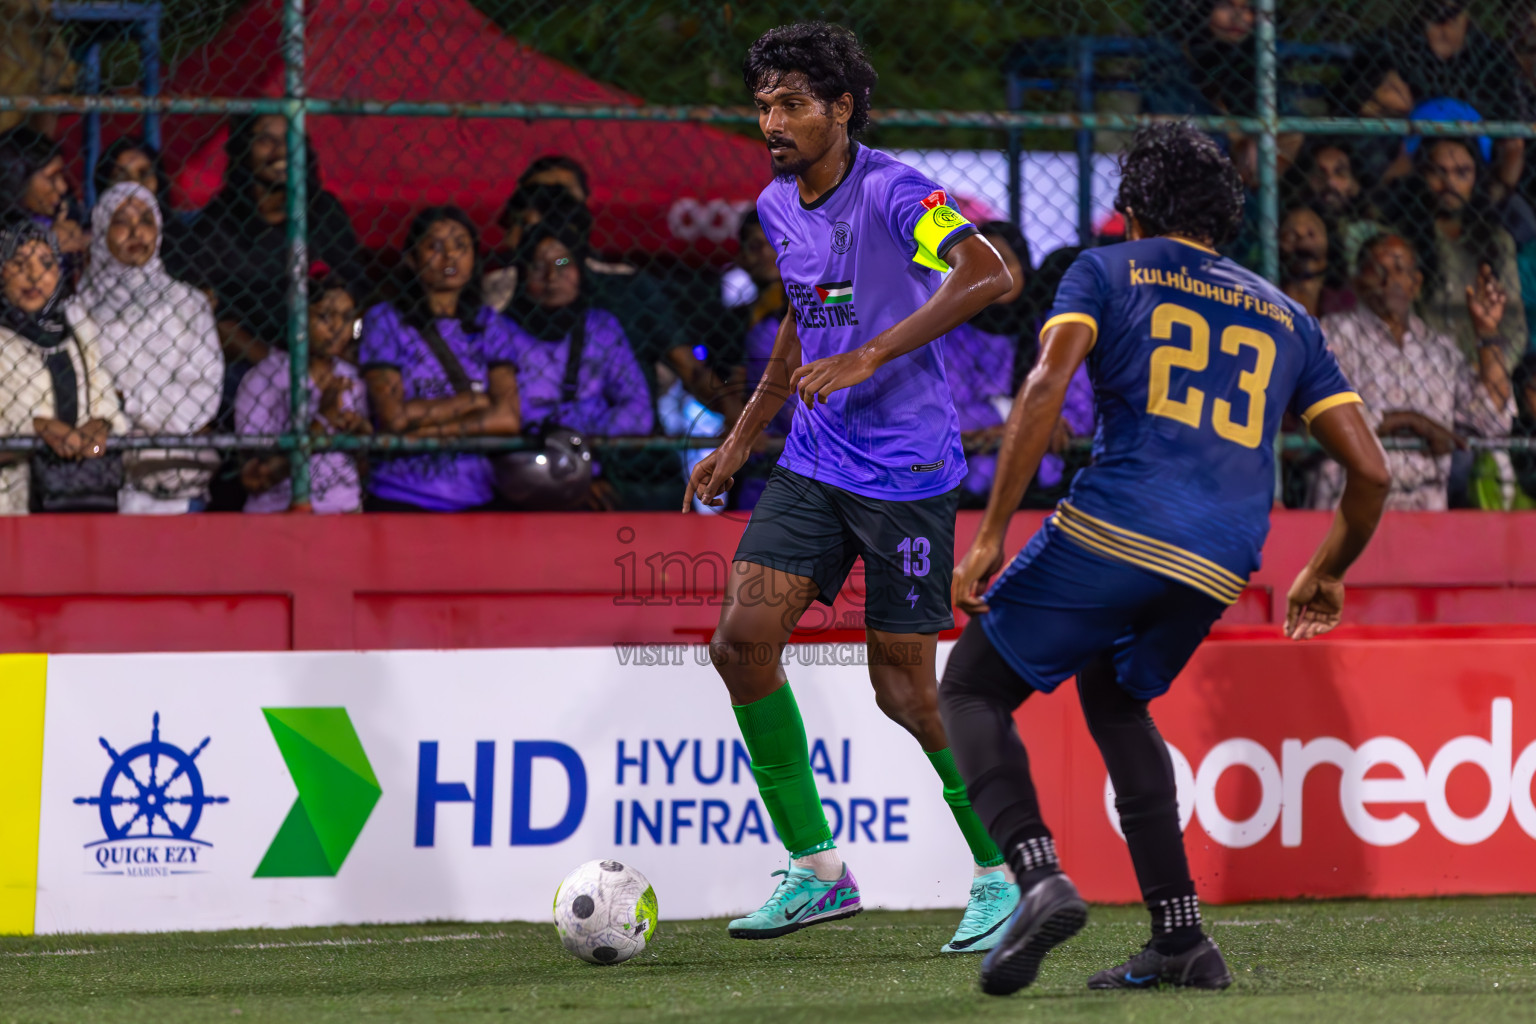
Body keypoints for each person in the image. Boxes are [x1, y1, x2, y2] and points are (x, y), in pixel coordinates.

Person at [937, 122, 1390, 995]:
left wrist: (991, 531)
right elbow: (1369, 471)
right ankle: (1181, 938)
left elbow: (1043, 388)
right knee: (1116, 697)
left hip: (1120, 525)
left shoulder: (1107, 269)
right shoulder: (1290, 315)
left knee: (972, 685)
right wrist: (1327, 568)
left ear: (1132, 208)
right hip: (1222, 559)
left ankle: (1037, 876)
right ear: (1223, 216)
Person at [682, 22, 1019, 954]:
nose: (772, 122)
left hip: (906, 474)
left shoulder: (897, 191)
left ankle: (1006, 875)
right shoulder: (776, 202)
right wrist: (741, 439)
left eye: (792, 103)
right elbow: (799, 322)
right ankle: (817, 871)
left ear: (841, 108)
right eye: (763, 105)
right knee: (741, 644)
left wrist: (871, 353)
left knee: (904, 692)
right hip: (815, 464)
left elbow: (990, 272)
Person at [1312, 234, 1513, 511]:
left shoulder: (1440, 349)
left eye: (1399, 269)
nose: (1389, 280)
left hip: (1426, 505)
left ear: (1416, 283)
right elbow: (1325, 420)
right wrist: (1413, 421)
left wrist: (1487, 333)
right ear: (1358, 282)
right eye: (1377, 269)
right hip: (1349, 503)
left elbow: (1493, 422)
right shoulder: (1334, 334)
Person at [188, 114, 362, 412]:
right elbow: (211, 319)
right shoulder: (218, 222)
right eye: (265, 140)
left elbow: (357, 293)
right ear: (244, 149)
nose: (280, 152)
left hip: (326, 354)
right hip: (250, 366)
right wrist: (279, 367)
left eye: (289, 141)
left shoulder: (324, 213)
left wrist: (344, 347)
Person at [360, 206, 520, 512]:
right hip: (401, 492)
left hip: (477, 495)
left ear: (474, 258)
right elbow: (394, 417)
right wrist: (473, 402)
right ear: (411, 258)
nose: (449, 256)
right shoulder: (385, 320)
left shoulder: (488, 323)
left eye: (461, 246)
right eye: (435, 246)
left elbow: (508, 418)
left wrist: (425, 432)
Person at [78, 183, 223, 514]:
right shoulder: (77, 311)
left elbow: (199, 400)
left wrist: (126, 402)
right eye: (120, 221)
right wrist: (156, 407)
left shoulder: (189, 305)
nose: (135, 232)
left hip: (175, 482)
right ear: (100, 231)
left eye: (145, 220)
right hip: (100, 486)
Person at [501, 220, 654, 509]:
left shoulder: (602, 328)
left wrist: (573, 440)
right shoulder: (501, 331)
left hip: (594, 468)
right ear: (521, 275)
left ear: (581, 271)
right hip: (521, 475)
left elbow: (638, 409)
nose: (551, 275)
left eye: (562, 262)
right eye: (537, 266)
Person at [946, 223, 1092, 505]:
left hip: (1050, 485)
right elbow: (949, 409)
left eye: (1005, 261)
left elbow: (1082, 405)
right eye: (980, 263)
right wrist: (1034, 422)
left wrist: (1003, 421)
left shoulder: (1052, 328)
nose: (994, 273)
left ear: (1024, 265)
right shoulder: (952, 333)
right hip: (972, 488)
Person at [0, 219, 127, 514]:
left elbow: (104, 396)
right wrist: (36, 429)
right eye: (19, 263)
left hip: (76, 494)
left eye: (46, 263)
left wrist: (101, 425)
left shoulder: (77, 328)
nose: (34, 276)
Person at [235, 265, 367, 514]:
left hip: (344, 508)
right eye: (324, 316)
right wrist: (322, 420)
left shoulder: (352, 377)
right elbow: (257, 477)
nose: (337, 328)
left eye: (347, 318)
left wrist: (359, 431)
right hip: (277, 511)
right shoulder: (265, 378)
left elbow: (363, 465)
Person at [1387, 135, 1527, 369]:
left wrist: (1492, 367)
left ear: (1476, 179)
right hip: (1420, 369)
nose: (1449, 183)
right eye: (1438, 172)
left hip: (1483, 365)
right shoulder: (1402, 240)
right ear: (1422, 176)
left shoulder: (1497, 241)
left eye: (1462, 173)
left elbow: (1515, 324)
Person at [93, 138, 198, 286]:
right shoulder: (89, 243)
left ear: (159, 181)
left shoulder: (183, 244)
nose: (135, 184)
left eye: (144, 174)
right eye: (121, 176)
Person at [1295, 141, 1389, 280]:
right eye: (1320, 173)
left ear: (1354, 183)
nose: (1330, 182)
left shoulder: (1373, 230)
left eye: (1339, 172)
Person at [0, 127, 89, 270]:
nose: (62, 187)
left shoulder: (65, 210)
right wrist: (51, 240)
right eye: (51, 177)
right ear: (17, 180)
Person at [1279, 204, 1354, 319]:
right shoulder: (1266, 296)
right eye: (1291, 233)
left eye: (1311, 232)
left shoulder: (1345, 301)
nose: (1301, 235)